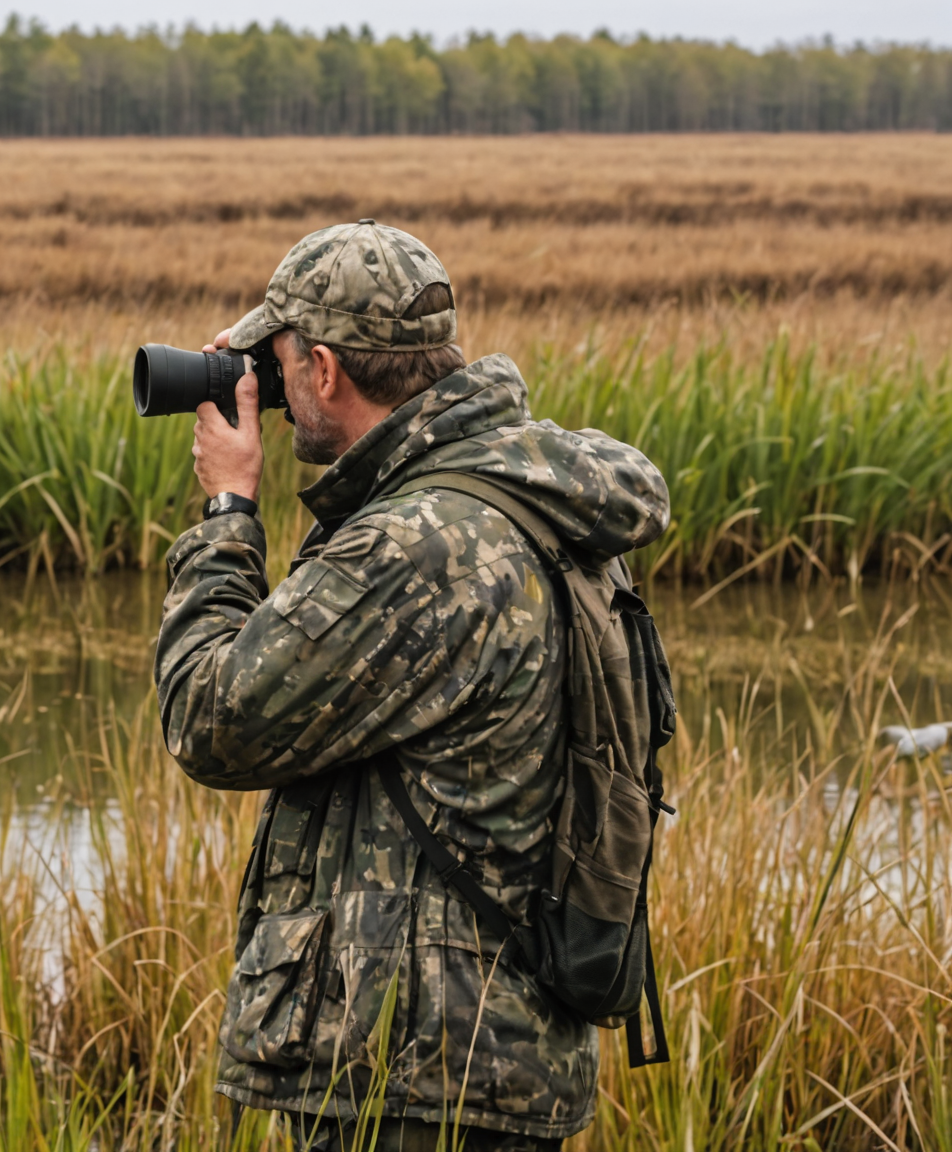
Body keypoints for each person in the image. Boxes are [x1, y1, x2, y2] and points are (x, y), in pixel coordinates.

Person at [153, 221, 670, 1150]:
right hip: (496, 1052)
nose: (268, 389)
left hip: (415, 1073)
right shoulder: (523, 496)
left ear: (322, 371)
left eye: (277, 364)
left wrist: (228, 511)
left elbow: (209, 719)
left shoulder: (418, 542)